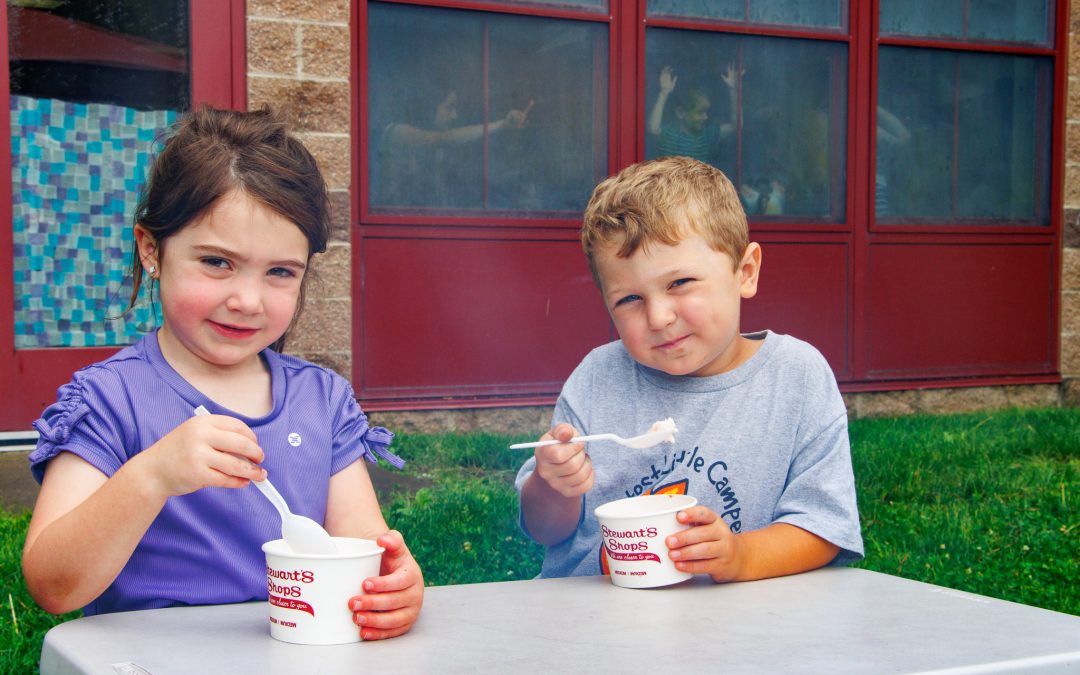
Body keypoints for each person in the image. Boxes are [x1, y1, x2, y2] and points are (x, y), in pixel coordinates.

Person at [22, 106, 423, 640]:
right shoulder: (111, 398)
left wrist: (392, 586)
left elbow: (361, 550)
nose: (247, 300)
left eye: (280, 272)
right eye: (216, 262)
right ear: (151, 251)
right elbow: (53, 584)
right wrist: (152, 475)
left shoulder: (320, 399)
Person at [515, 156, 862, 582]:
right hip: (592, 620)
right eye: (629, 300)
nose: (658, 317)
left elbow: (823, 528)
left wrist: (741, 556)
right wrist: (553, 486)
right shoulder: (597, 378)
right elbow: (545, 530)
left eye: (680, 283)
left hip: (737, 629)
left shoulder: (796, 377)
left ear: (745, 272)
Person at [375, 90, 533, 208]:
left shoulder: (439, 150)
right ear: (431, 104)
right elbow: (445, 139)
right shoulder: (397, 131)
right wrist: (502, 124)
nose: (455, 116)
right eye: (449, 107)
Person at [647, 64, 740, 167]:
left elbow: (735, 125)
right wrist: (663, 94)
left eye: (707, 112)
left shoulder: (706, 135)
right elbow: (653, 129)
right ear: (681, 113)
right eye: (700, 112)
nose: (706, 117)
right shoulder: (671, 134)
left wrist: (733, 90)